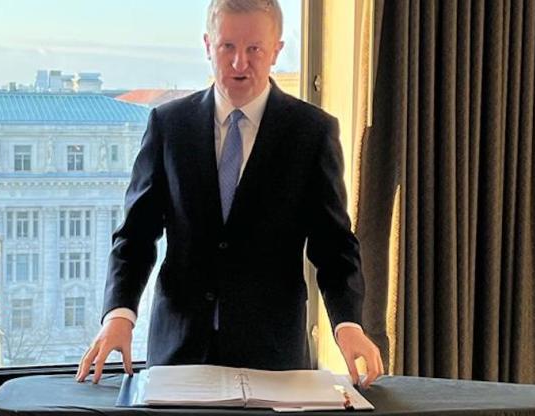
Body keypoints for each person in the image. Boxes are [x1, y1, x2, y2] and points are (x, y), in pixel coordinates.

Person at [77, 0, 384, 388]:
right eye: (227, 47)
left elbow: (334, 244)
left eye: (254, 49)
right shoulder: (169, 125)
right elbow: (135, 236)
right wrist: (119, 314)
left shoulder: (311, 132)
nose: (240, 63)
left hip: (274, 358)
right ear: (208, 46)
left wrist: (347, 323)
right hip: (179, 355)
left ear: (276, 50)